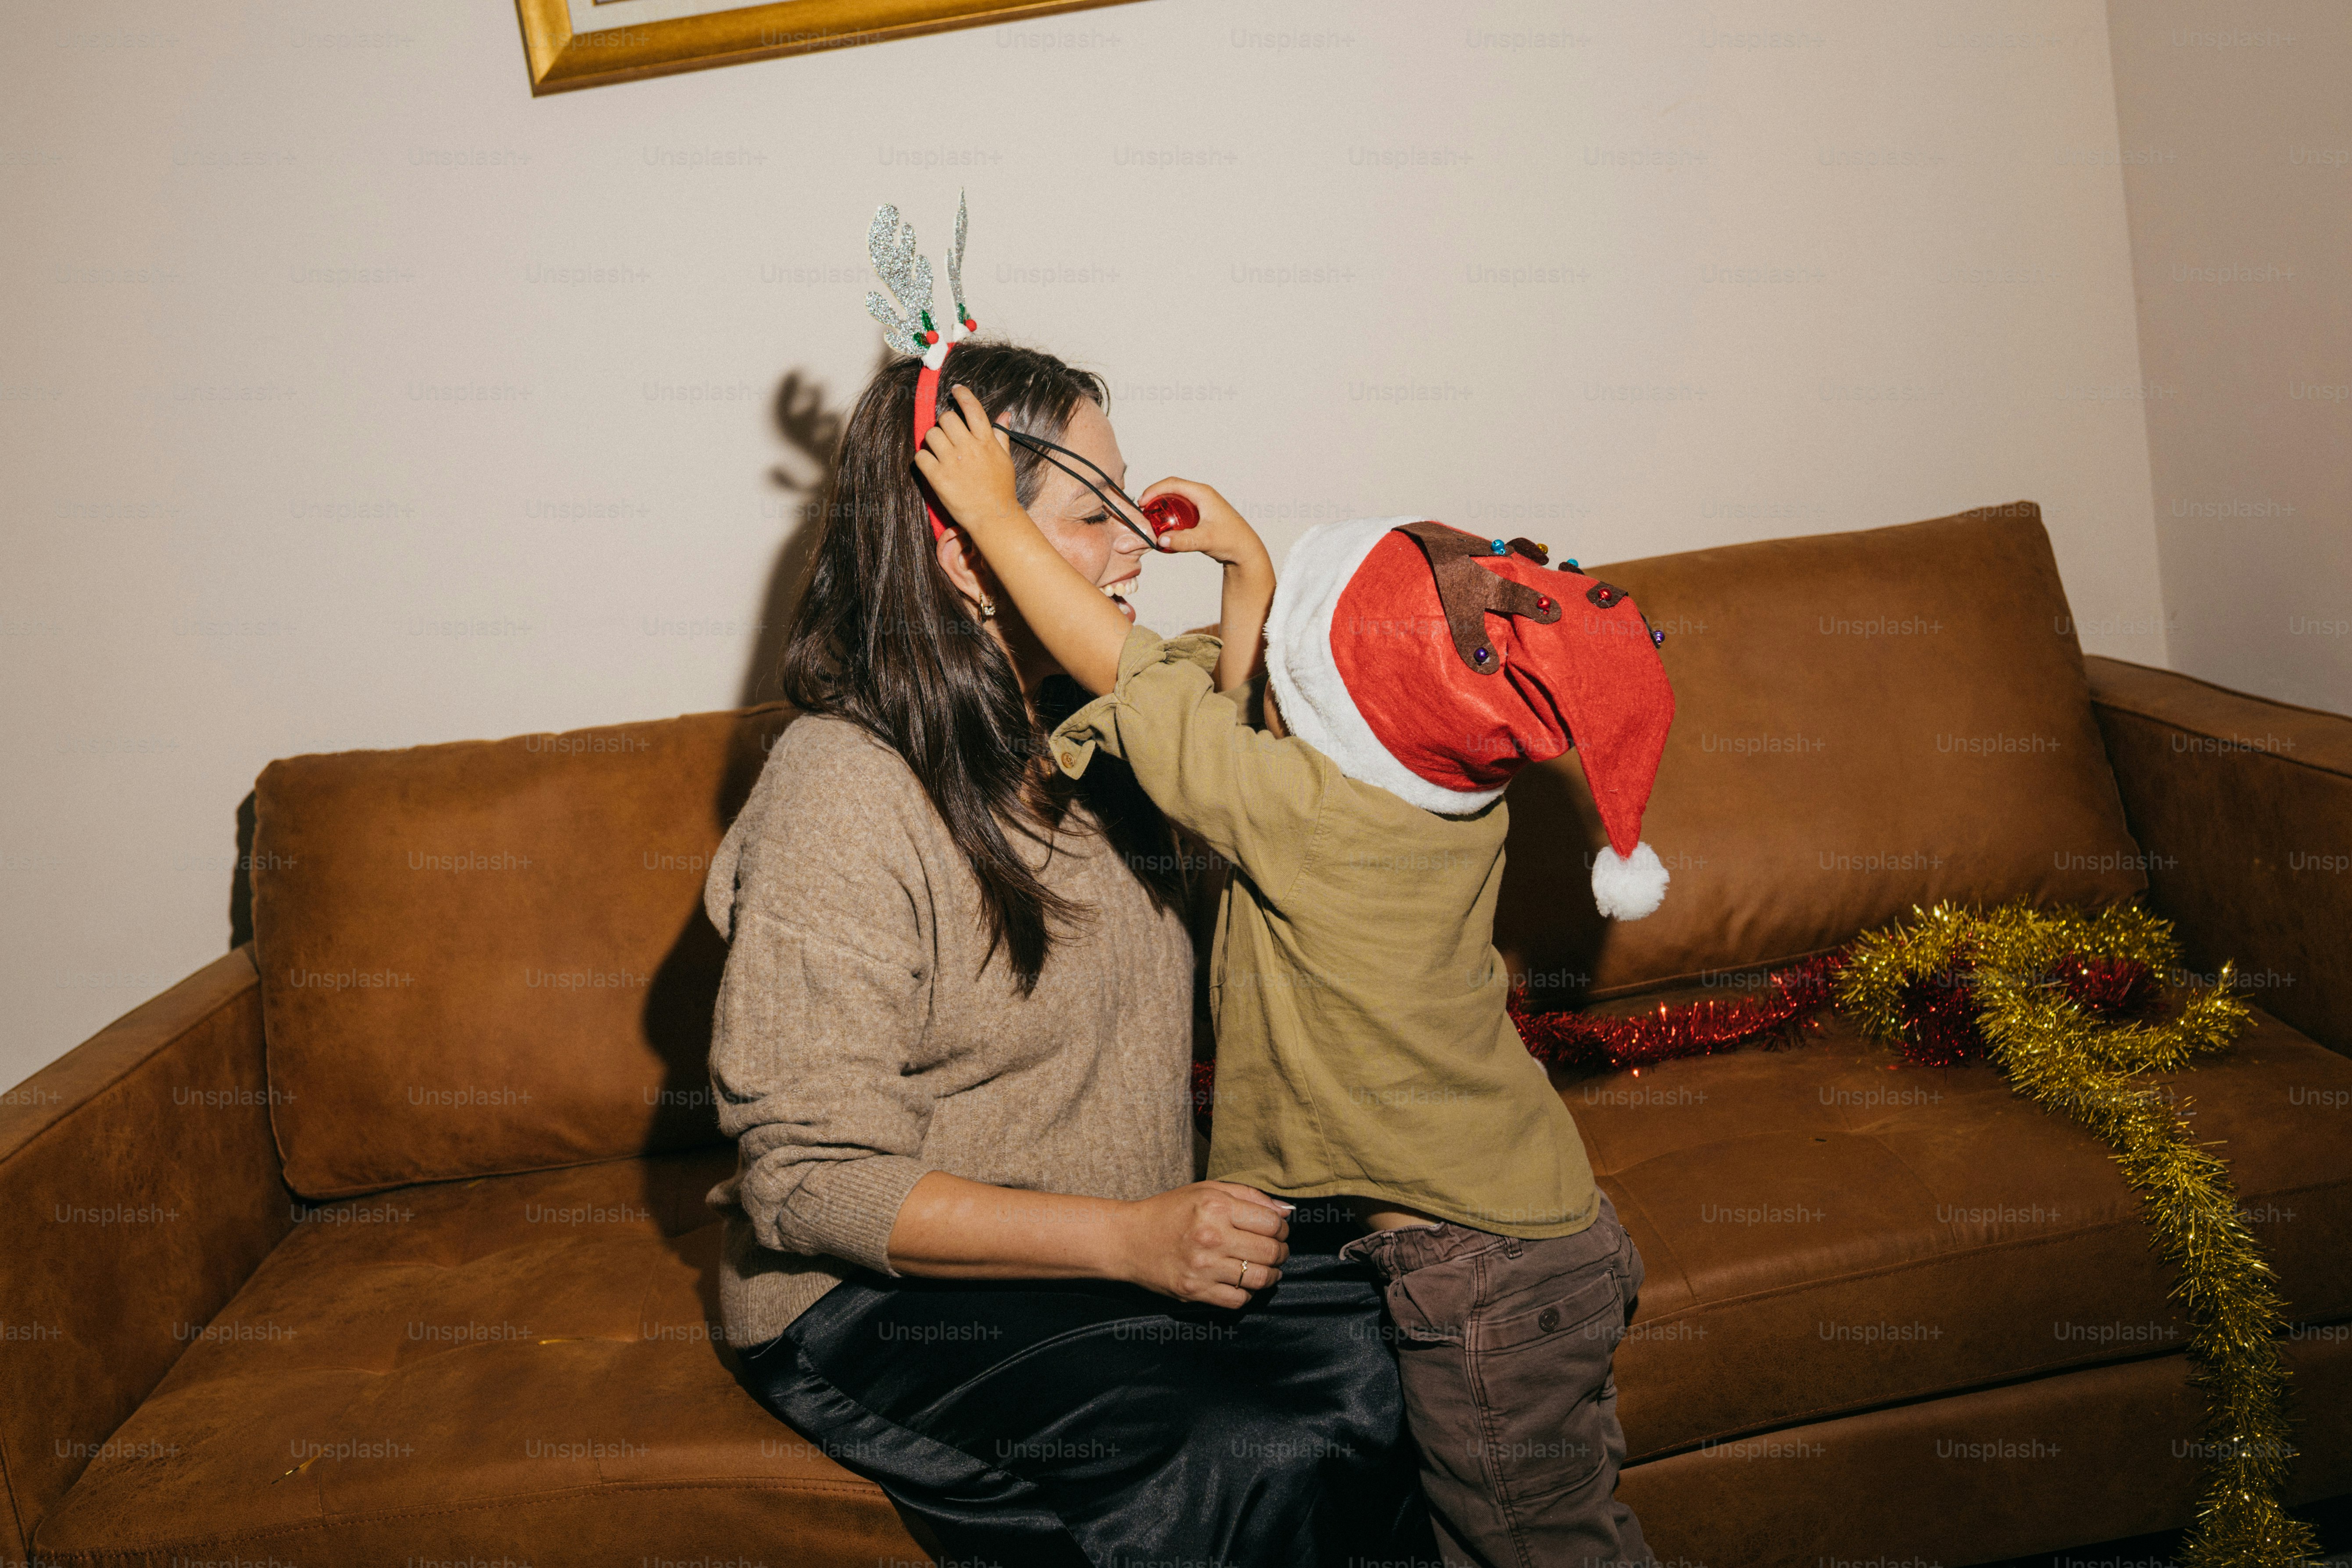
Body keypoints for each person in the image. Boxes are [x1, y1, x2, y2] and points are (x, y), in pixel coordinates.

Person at [704, 341, 1441, 1568]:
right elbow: (809, 1181)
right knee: (1243, 1453)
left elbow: (1250, 797)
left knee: (1431, 1337)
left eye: (1125, 499)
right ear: (970, 559)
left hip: (1120, 1242)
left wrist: (1251, 576)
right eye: (1090, 514)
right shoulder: (840, 789)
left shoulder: (1090, 730)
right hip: (886, 1300)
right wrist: (1129, 1241)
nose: (1134, 543)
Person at [918, 380, 1677, 1568]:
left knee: (1530, 1549)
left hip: (1482, 1275)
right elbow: (1240, 735)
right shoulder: (1434, 802)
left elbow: (1137, 680)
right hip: (1544, 1239)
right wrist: (1246, 575)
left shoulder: (1314, 818)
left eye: (1291, 663)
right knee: (1562, 1523)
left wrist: (993, 518)